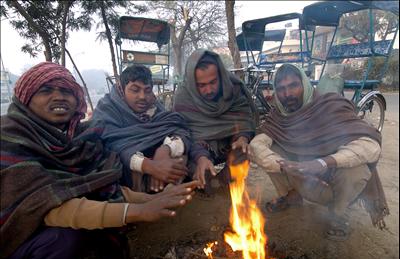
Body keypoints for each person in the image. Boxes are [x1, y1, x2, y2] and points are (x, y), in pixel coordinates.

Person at [0, 62, 199, 259]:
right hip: (15, 234)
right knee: (63, 239)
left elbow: (101, 186)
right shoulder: (11, 138)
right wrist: (139, 209)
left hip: (68, 213)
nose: (59, 97)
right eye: (46, 91)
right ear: (25, 96)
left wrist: (150, 199)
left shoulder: (78, 137)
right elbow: (50, 207)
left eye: (66, 91)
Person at [249, 63, 388, 241]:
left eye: (293, 86)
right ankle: (293, 195)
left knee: (356, 169)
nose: (287, 94)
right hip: (302, 175)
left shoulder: (330, 105)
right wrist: (285, 166)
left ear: (304, 84)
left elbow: (370, 146)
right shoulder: (279, 115)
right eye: (281, 88)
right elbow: (256, 145)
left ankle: (338, 213)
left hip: (332, 174)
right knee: (271, 149)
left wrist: (323, 163)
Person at [91, 65, 191, 193]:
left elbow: (179, 129)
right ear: (121, 89)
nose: (143, 96)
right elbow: (110, 144)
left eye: (147, 90)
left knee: (181, 154)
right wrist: (151, 167)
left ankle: (168, 194)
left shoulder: (155, 107)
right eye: (135, 90)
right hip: (125, 179)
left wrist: (163, 151)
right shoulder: (107, 109)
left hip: (162, 165)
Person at [173, 49, 256, 193]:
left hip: (227, 146)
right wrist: (201, 157)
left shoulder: (234, 89)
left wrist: (242, 139)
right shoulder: (184, 96)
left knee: (243, 153)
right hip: (198, 148)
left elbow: (244, 120)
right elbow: (183, 134)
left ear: (221, 76)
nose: (209, 90)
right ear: (193, 83)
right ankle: (205, 180)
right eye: (202, 85)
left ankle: (222, 181)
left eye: (213, 82)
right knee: (196, 175)